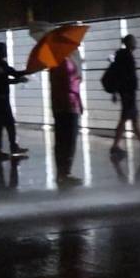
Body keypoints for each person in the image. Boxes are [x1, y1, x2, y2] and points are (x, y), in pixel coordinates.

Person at [109, 35, 140, 156]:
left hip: (127, 92)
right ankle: (115, 146)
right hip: (127, 93)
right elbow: (122, 75)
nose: (136, 43)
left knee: (134, 118)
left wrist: (115, 92)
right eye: (134, 41)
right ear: (130, 43)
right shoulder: (125, 56)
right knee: (124, 119)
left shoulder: (123, 55)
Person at [0, 42, 29, 160]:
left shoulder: (1, 64)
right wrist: (18, 80)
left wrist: (27, 71)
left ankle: (9, 148)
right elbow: (3, 80)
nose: (6, 51)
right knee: (3, 124)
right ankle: (1, 149)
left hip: (2, 98)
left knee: (6, 123)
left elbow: (13, 73)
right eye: (4, 49)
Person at [50, 55, 83, 187]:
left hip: (59, 105)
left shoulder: (54, 62)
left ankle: (60, 173)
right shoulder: (65, 62)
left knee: (60, 141)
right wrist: (77, 79)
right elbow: (70, 85)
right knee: (69, 141)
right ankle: (65, 173)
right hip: (69, 104)